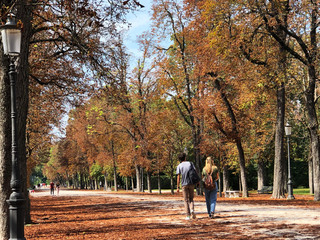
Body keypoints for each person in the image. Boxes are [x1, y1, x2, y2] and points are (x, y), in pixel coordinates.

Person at [176, 152, 198, 220]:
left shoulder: (179, 166)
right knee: (191, 199)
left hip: (184, 184)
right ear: (185, 157)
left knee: (186, 200)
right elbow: (195, 172)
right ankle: (192, 210)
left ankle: (188, 215)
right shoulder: (190, 163)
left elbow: (178, 177)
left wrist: (177, 187)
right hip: (191, 183)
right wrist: (197, 181)